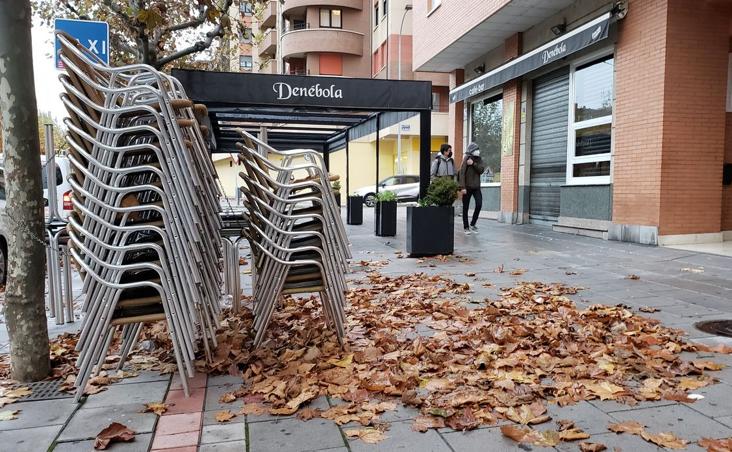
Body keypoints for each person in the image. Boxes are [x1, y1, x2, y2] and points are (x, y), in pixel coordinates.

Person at [458, 142, 485, 235]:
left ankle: (473, 224)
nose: (478, 151)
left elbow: (481, 170)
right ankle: (466, 227)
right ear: (472, 151)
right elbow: (461, 173)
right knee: (465, 208)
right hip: (467, 187)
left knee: (479, 204)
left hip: (476, 187)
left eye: (478, 149)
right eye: (476, 150)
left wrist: (473, 163)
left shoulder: (479, 159)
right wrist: (462, 187)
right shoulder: (466, 158)